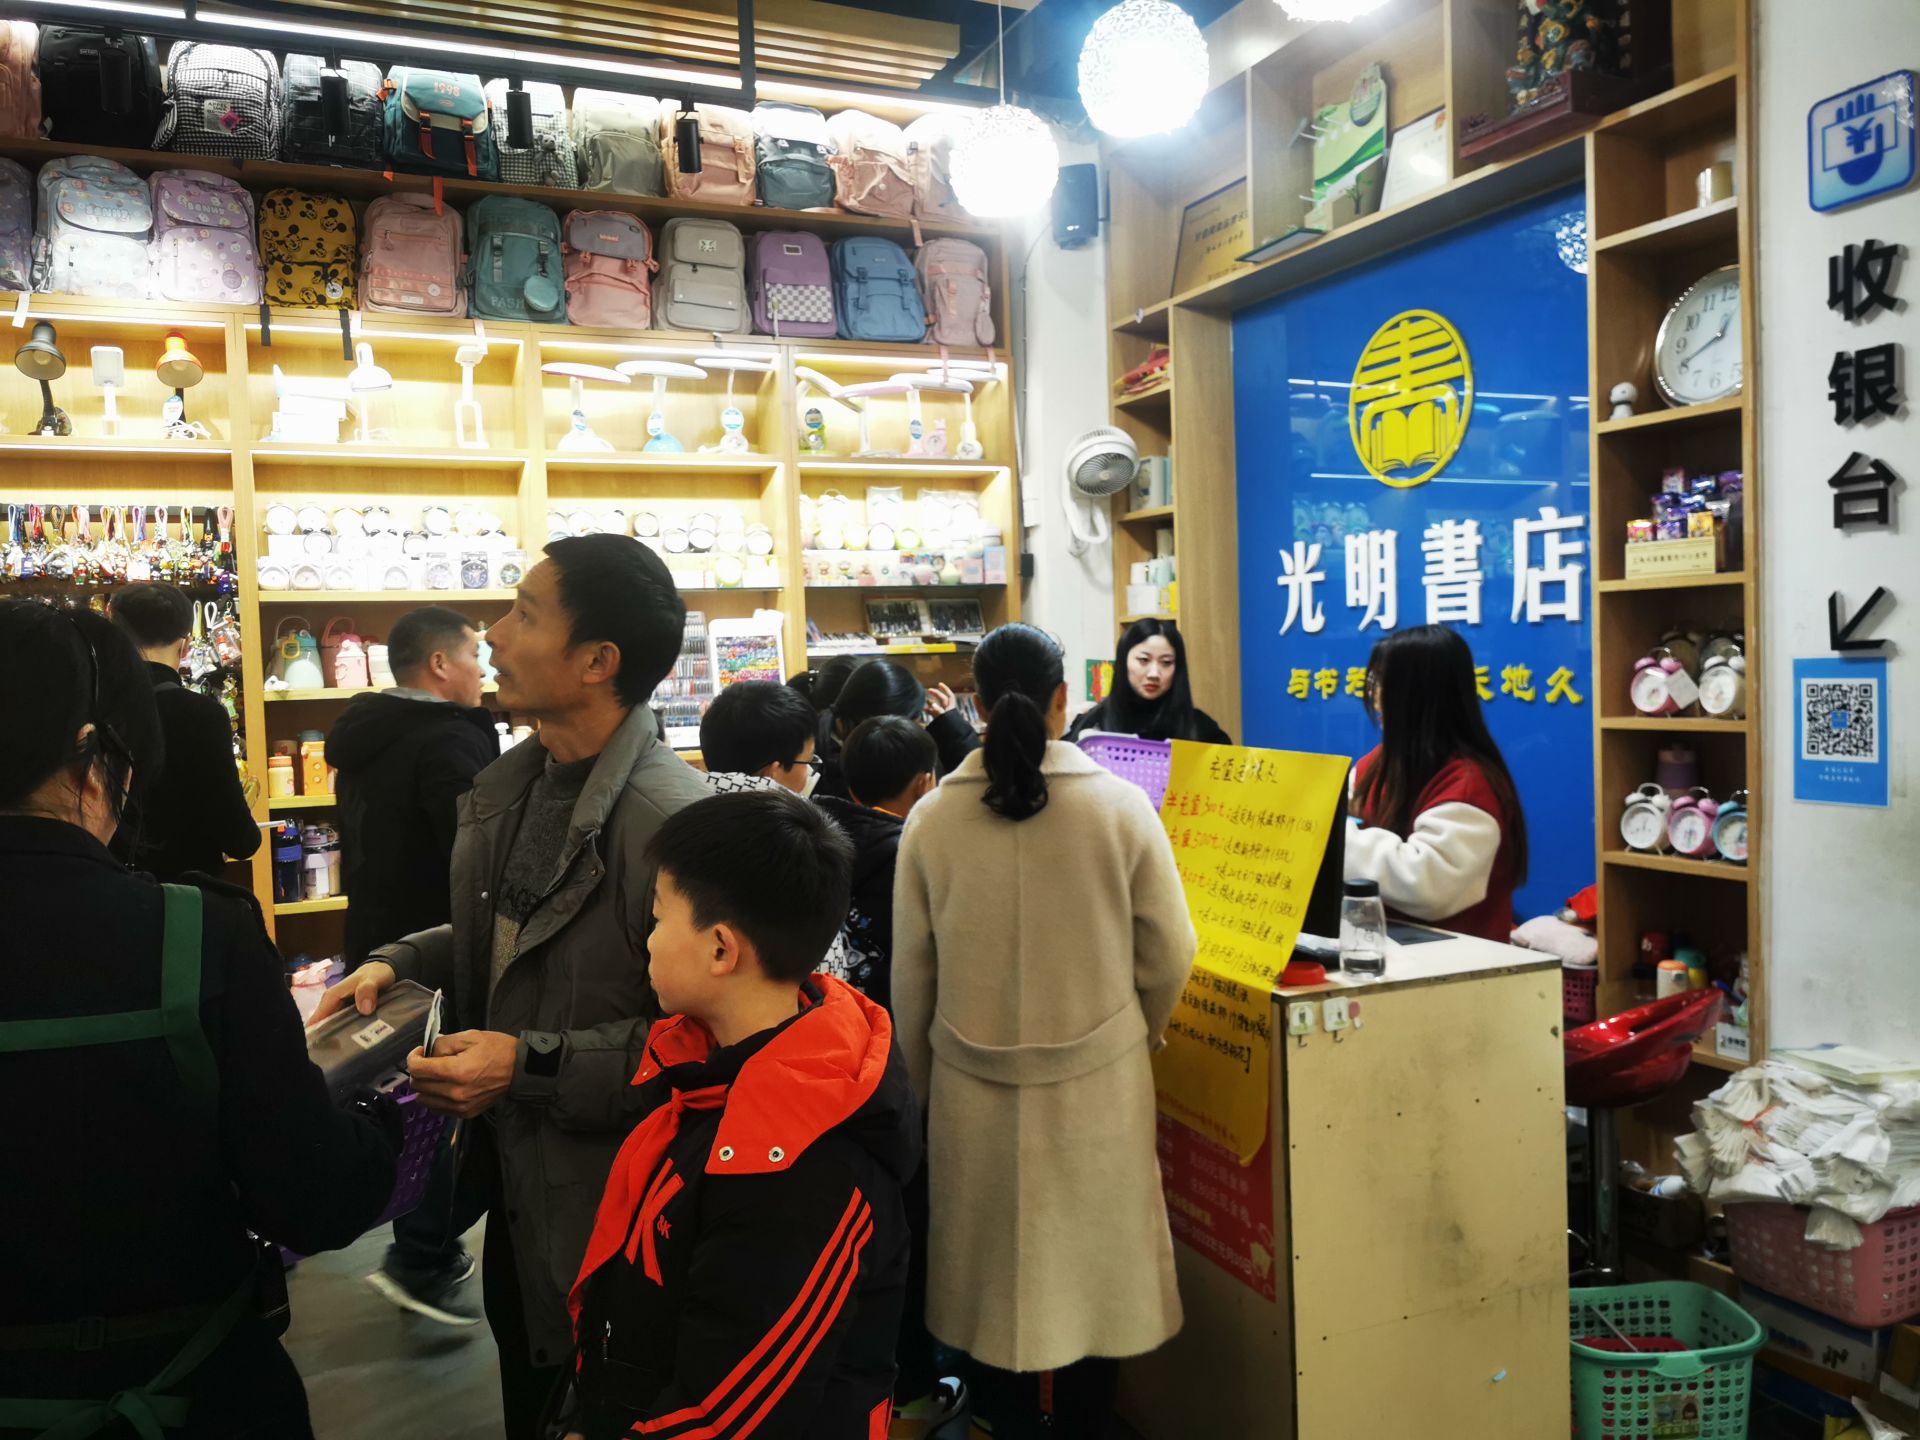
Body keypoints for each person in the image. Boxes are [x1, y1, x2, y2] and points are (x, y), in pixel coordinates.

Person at [310, 535, 711, 1439]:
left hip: (619, 1219)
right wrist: (402, 960)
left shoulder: (670, 824)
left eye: (525, 613)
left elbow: (705, 1048)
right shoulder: (517, 784)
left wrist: (522, 1066)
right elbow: (511, 931)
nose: (491, 633)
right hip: (522, 1191)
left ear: (597, 661)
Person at [0, 602, 398, 1439]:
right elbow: (312, 1199)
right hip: (194, 1388)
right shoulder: (198, 932)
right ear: (96, 759)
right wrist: (379, 1121)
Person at [893, 623, 1197, 1439]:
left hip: (973, 1093)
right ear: (1064, 696)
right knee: (1099, 1290)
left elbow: (912, 982)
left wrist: (922, 1094)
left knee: (993, 1290)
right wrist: (1137, 1033)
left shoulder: (932, 820)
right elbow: (1172, 951)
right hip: (1098, 1088)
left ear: (979, 704)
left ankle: (1003, 1423)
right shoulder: (1119, 807)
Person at [555, 789, 917, 1440]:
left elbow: (728, 1416)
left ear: (721, 950)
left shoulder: (802, 1168)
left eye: (658, 917)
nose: (648, 940)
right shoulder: (714, 1070)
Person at [327, 606, 497, 1327]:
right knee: (452, 1098)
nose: (484, 672)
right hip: (438, 948)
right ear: (438, 664)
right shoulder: (449, 741)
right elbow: (479, 859)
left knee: (413, 1096)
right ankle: (422, 1252)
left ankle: (419, 1246)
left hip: (379, 941)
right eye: (475, 657)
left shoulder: (364, 733)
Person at [1346, 624, 1529, 943]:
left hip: (1458, 964)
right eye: (1375, 682)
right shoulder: (1372, 766)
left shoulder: (1469, 785)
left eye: (1386, 684)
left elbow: (1427, 884)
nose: (1375, 697)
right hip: (1378, 952)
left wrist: (1328, 837)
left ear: (1421, 694)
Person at [107, 581, 260, 880]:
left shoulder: (96, 709)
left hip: (109, 889)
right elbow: (241, 841)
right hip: (188, 894)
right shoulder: (203, 715)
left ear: (116, 637)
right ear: (185, 645)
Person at [812, 715, 936, 1011]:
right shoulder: (920, 856)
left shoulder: (812, 834)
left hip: (832, 1009)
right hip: (896, 1016)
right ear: (923, 784)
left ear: (852, 790)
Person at [814, 659, 976, 802]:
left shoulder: (824, 750)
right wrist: (953, 729)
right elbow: (977, 787)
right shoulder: (874, 773)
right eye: (914, 722)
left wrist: (950, 727)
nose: (915, 731)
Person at [1065, 618, 1232, 745]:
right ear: (1123, 662)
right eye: (1144, 660)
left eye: (1166, 662)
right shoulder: (1093, 724)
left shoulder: (1201, 729)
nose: (1154, 674)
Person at [696, 679, 819, 796]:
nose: (810, 771)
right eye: (809, 761)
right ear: (772, 776)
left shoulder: (698, 804)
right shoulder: (790, 811)